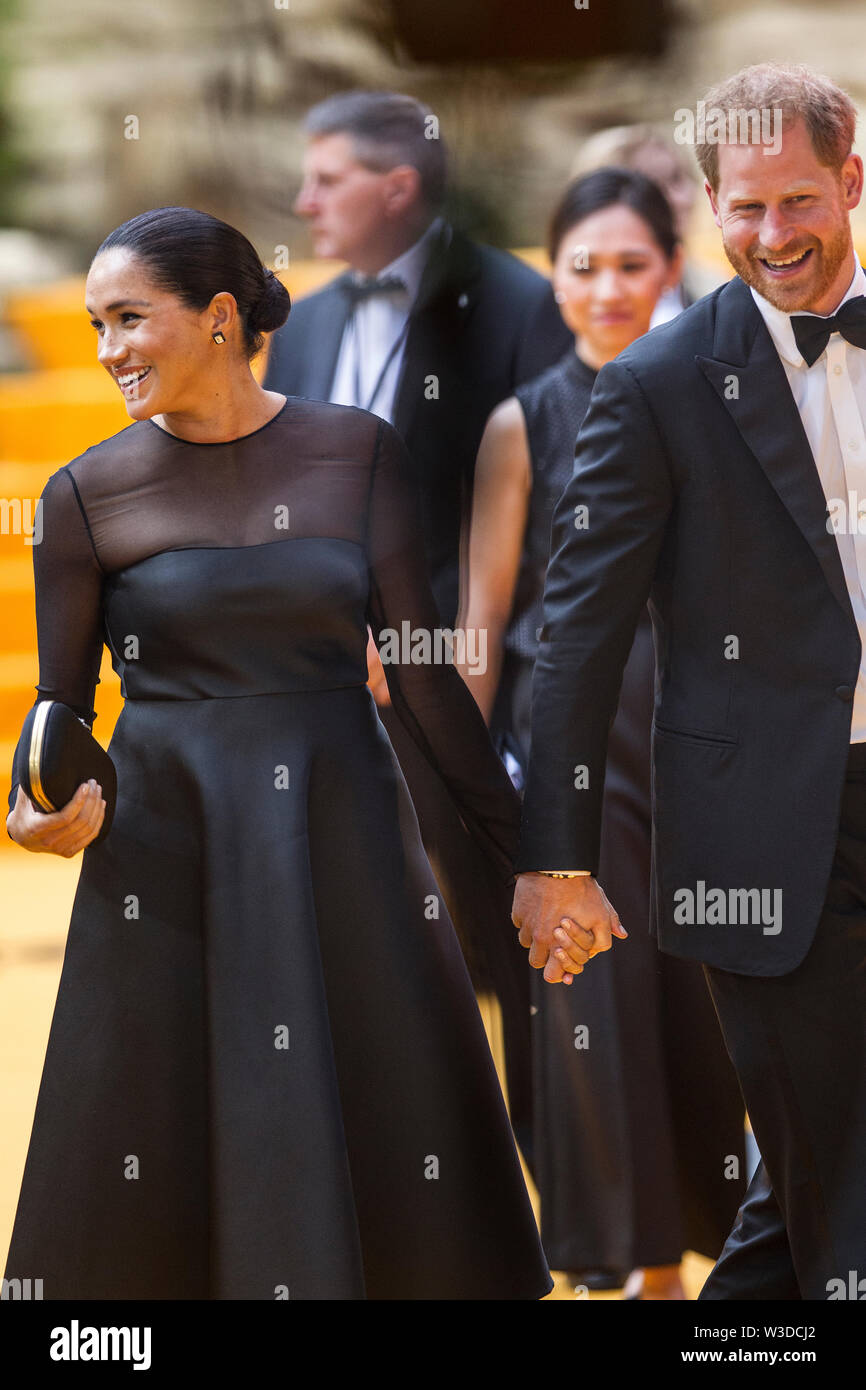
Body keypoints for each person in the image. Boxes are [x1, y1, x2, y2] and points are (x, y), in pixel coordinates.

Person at [3, 205, 551, 1301]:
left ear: (217, 317)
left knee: (383, 1137)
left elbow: (426, 685)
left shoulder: (355, 449)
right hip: (166, 855)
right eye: (95, 323)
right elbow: (61, 712)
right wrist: (34, 807)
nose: (108, 349)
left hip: (341, 833)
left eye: (128, 319)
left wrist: (538, 854)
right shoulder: (80, 496)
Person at [511, 61, 866, 1301]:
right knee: (830, 1168)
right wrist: (553, 858)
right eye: (743, 207)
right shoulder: (654, 385)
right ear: (711, 205)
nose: (772, 236)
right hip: (758, 835)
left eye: (798, 203)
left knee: (807, 1191)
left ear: (852, 182)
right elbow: (574, 635)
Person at [263, 89, 572, 1157]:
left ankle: (544, 1184)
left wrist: (443, 661)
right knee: (356, 945)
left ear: (397, 187)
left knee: (506, 945)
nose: (302, 201)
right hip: (325, 687)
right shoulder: (300, 321)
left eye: (326, 177)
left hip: (471, 687)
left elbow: (550, 519)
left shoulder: (519, 301)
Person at [458, 168, 745, 1299]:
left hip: (698, 730)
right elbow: (482, 621)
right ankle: (627, 1261)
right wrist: (470, 791)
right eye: (583, 265)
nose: (607, 288)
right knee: (589, 1001)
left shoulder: (715, 396)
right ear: (553, 274)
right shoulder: (517, 421)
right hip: (567, 739)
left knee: (707, 993)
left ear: (669, 271)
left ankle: (725, 1247)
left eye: (632, 265)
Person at [570, 124, 724, 325]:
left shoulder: (715, 287)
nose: (681, 198)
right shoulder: (580, 303)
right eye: (655, 185)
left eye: (678, 178)